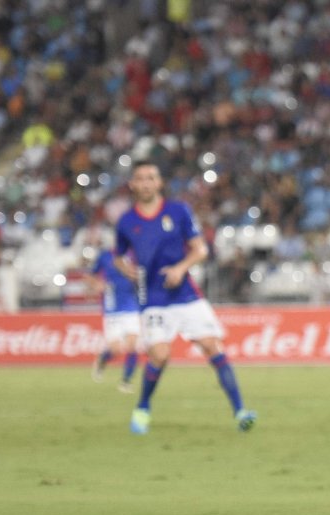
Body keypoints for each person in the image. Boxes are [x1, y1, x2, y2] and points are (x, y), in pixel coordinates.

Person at [114, 160, 256, 434]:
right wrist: (125, 269)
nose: (145, 183)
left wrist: (181, 268)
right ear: (132, 184)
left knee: (213, 346)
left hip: (186, 295)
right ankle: (143, 407)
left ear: (159, 183)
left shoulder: (178, 212)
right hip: (153, 297)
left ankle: (241, 412)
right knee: (160, 355)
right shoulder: (127, 222)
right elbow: (118, 256)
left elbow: (200, 249)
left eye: (151, 177)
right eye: (140, 178)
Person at [87, 247, 141, 392]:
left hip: (131, 306)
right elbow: (90, 275)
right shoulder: (104, 256)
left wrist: (135, 276)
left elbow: (141, 273)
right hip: (112, 308)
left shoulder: (132, 254)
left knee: (132, 345)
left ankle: (126, 382)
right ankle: (102, 360)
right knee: (116, 349)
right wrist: (96, 284)